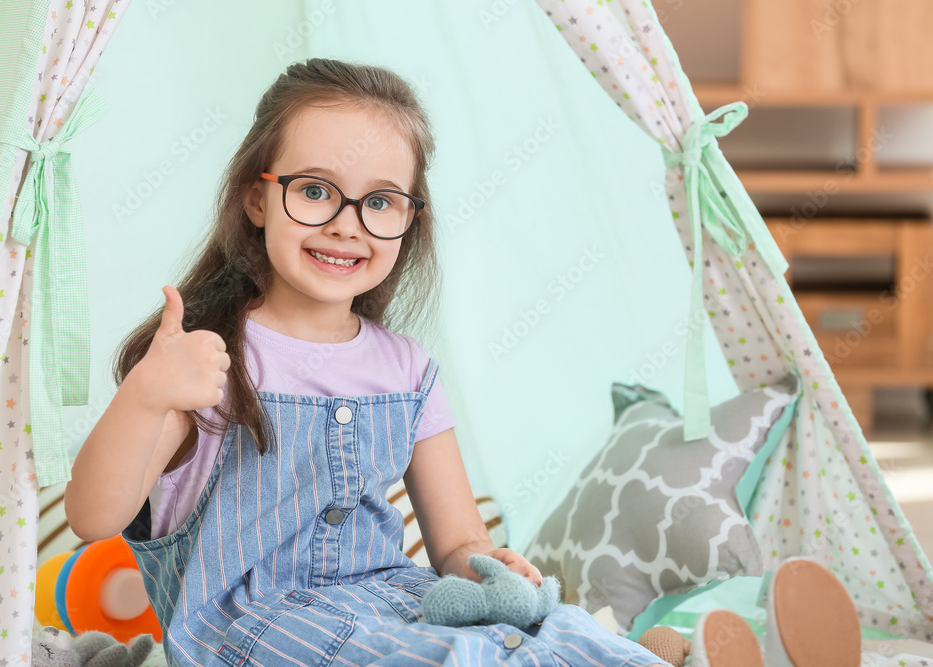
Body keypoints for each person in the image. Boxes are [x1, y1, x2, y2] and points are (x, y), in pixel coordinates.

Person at [64, 57, 671, 667]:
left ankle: (636, 654)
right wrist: (149, 394)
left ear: (409, 218)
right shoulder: (203, 357)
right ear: (257, 199)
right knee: (452, 656)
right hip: (255, 628)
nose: (347, 226)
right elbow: (93, 517)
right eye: (315, 191)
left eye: (379, 202)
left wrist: (490, 569)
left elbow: (459, 541)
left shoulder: (407, 369)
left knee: (542, 629)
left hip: (390, 603)